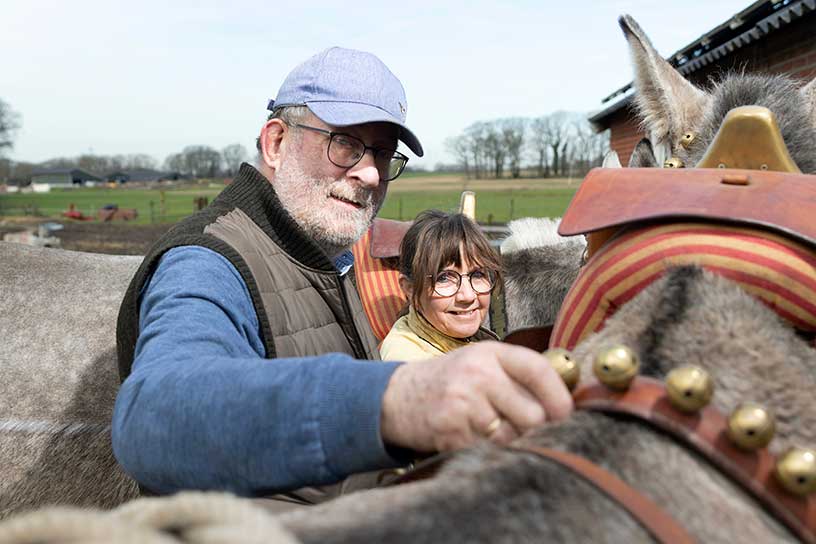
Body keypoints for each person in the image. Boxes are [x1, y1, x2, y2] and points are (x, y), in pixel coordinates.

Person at [112, 47, 572, 506]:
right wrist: (402, 398)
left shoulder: (325, 255)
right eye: (345, 144)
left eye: (383, 154)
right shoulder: (209, 257)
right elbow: (156, 417)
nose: (371, 173)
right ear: (276, 143)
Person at [380, 210, 501, 361]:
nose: (468, 295)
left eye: (477, 274)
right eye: (444, 278)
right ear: (409, 289)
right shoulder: (414, 366)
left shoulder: (464, 340)